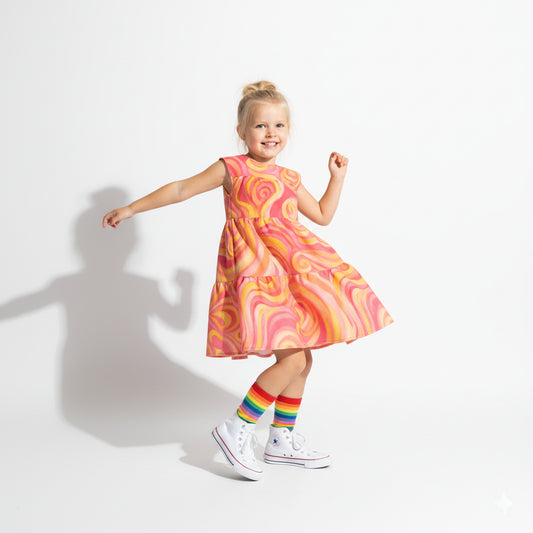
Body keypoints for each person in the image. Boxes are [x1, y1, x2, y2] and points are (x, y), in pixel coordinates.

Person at [102, 80, 393, 481]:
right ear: (242, 131)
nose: (270, 133)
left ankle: (280, 440)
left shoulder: (289, 178)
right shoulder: (231, 168)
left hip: (292, 273)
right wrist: (132, 208)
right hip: (256, 273)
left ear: (288, 131)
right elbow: (182, 188)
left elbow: (323, 216)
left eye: (279, 126)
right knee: (293, 358)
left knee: (302, 359)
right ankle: (237, 426)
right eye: (260, 126)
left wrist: (337, 178)